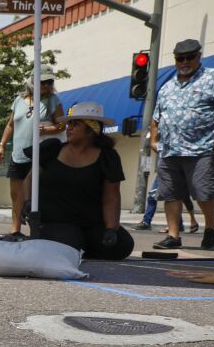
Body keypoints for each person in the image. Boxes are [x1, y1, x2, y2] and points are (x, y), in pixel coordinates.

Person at [150, 38, 214, 250]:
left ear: (199, 56)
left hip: (201, 147)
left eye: (190, 57)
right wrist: (154, 139)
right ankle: (173, 235)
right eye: (180, 58)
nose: (185, 61)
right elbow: (156, 117)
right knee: (170, 193)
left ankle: (210, 227)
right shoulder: (167, 86)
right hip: (170, 150)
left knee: (203, 192)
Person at [27, 102, 134, 260]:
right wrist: (27, 202)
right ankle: (70, 245)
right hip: (55, 219)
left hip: (90, 222)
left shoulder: (107, 156)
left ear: (91, 131)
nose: (68, 128)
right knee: (70, 241)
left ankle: (80, 247)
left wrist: (111, 229)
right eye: (68, 123)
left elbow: (111, 196)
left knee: (123, 244)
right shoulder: (53, 150)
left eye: (75, 124)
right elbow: (29, 180)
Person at [0, 67, 64, 240]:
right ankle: (15, 230)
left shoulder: (53, 100)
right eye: (43, 82)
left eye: (50, 82)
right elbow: (10, 124)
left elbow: (63, 125)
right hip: (18, 153)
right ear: (33, 82)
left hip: (40, 155)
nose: (47, 85)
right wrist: (2, 145)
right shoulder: (19, 100)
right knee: (15, 194)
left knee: (37, 194)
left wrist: (47, 130)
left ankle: (39, 230)